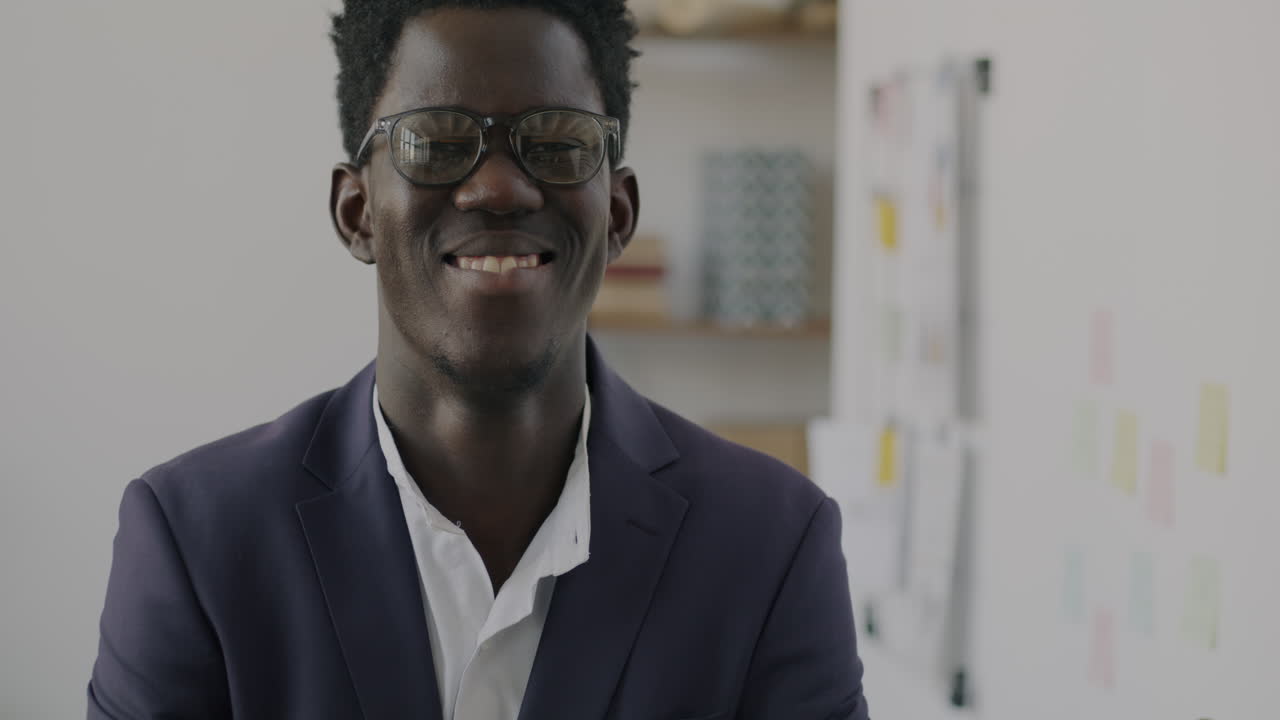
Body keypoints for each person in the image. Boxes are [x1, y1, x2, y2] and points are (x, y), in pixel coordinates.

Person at [87, 2, 869, 718]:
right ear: (355, 211)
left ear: (618, 213)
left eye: (557, 143)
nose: (498, 187)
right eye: (438, 142)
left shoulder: (771, 548)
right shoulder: (195, 541)